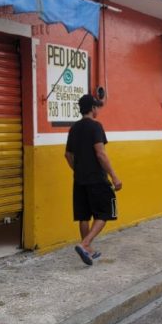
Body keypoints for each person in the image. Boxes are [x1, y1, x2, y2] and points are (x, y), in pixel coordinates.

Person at [65, 94, 123, 266]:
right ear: (92, 108)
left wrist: (79, 169)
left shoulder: (74, 128)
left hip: (80, 179)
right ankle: (84, 244)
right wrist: (114, 176)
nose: (98, 109)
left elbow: (67, 155)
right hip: (97, 179)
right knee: (106, 211)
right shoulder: (96, 126)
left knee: (84, 215)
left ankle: (87, 249)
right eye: (97, 106)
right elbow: (100, 153)